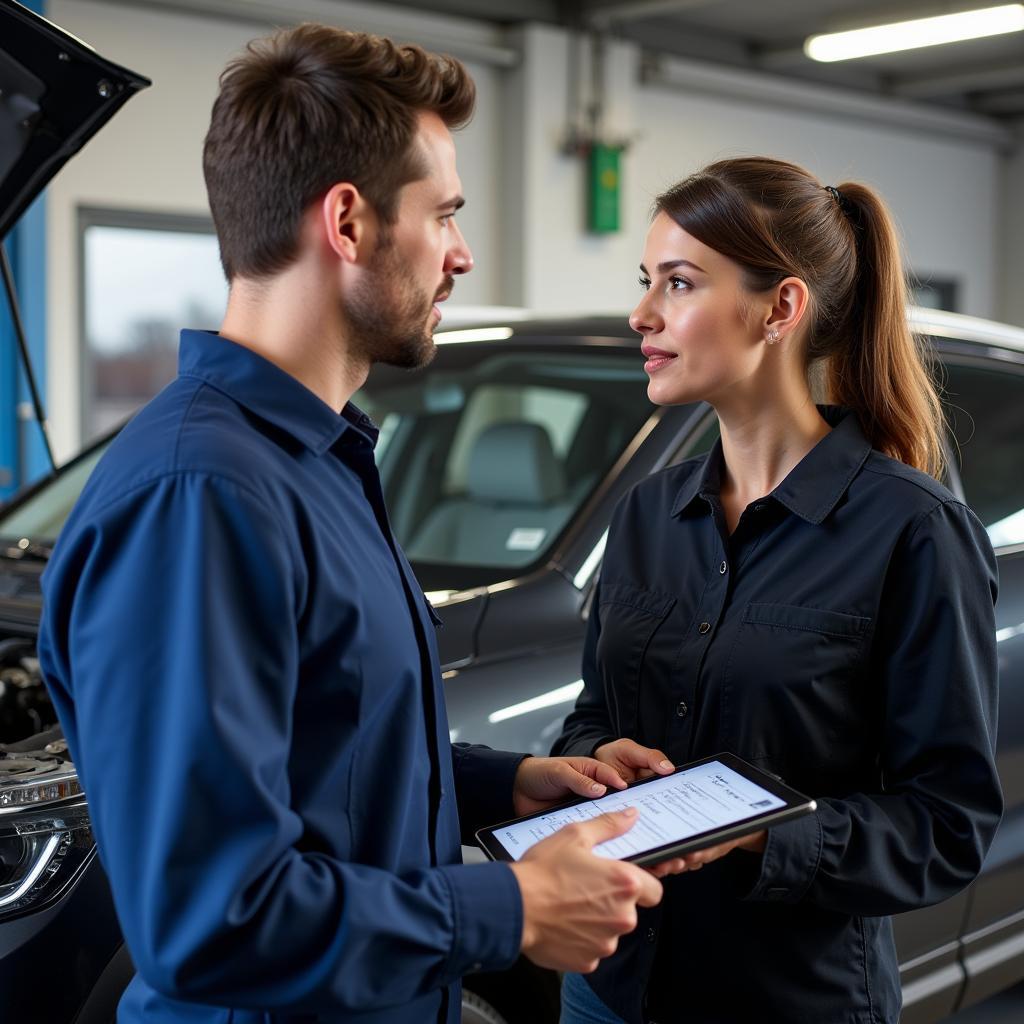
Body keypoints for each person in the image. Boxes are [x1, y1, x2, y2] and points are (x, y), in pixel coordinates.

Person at [37, 24, 672, 1024]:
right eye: (445, 215)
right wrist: (508, 906)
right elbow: (208, 916)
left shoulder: (317, 460)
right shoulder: (202, 497)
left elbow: (324, 743)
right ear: (347, 221)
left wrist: (502, 786)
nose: (461, 254)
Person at [552, 156, 1003, 1024]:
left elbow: (944, 831)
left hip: (787, 999)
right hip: (611, 990)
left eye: (678, 283)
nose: (642, 314)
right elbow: (592, 710)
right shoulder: (648, 514)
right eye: (646, 282)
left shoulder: (912, 531)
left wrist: (762, 830)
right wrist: (602, 753)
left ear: (780, 308)